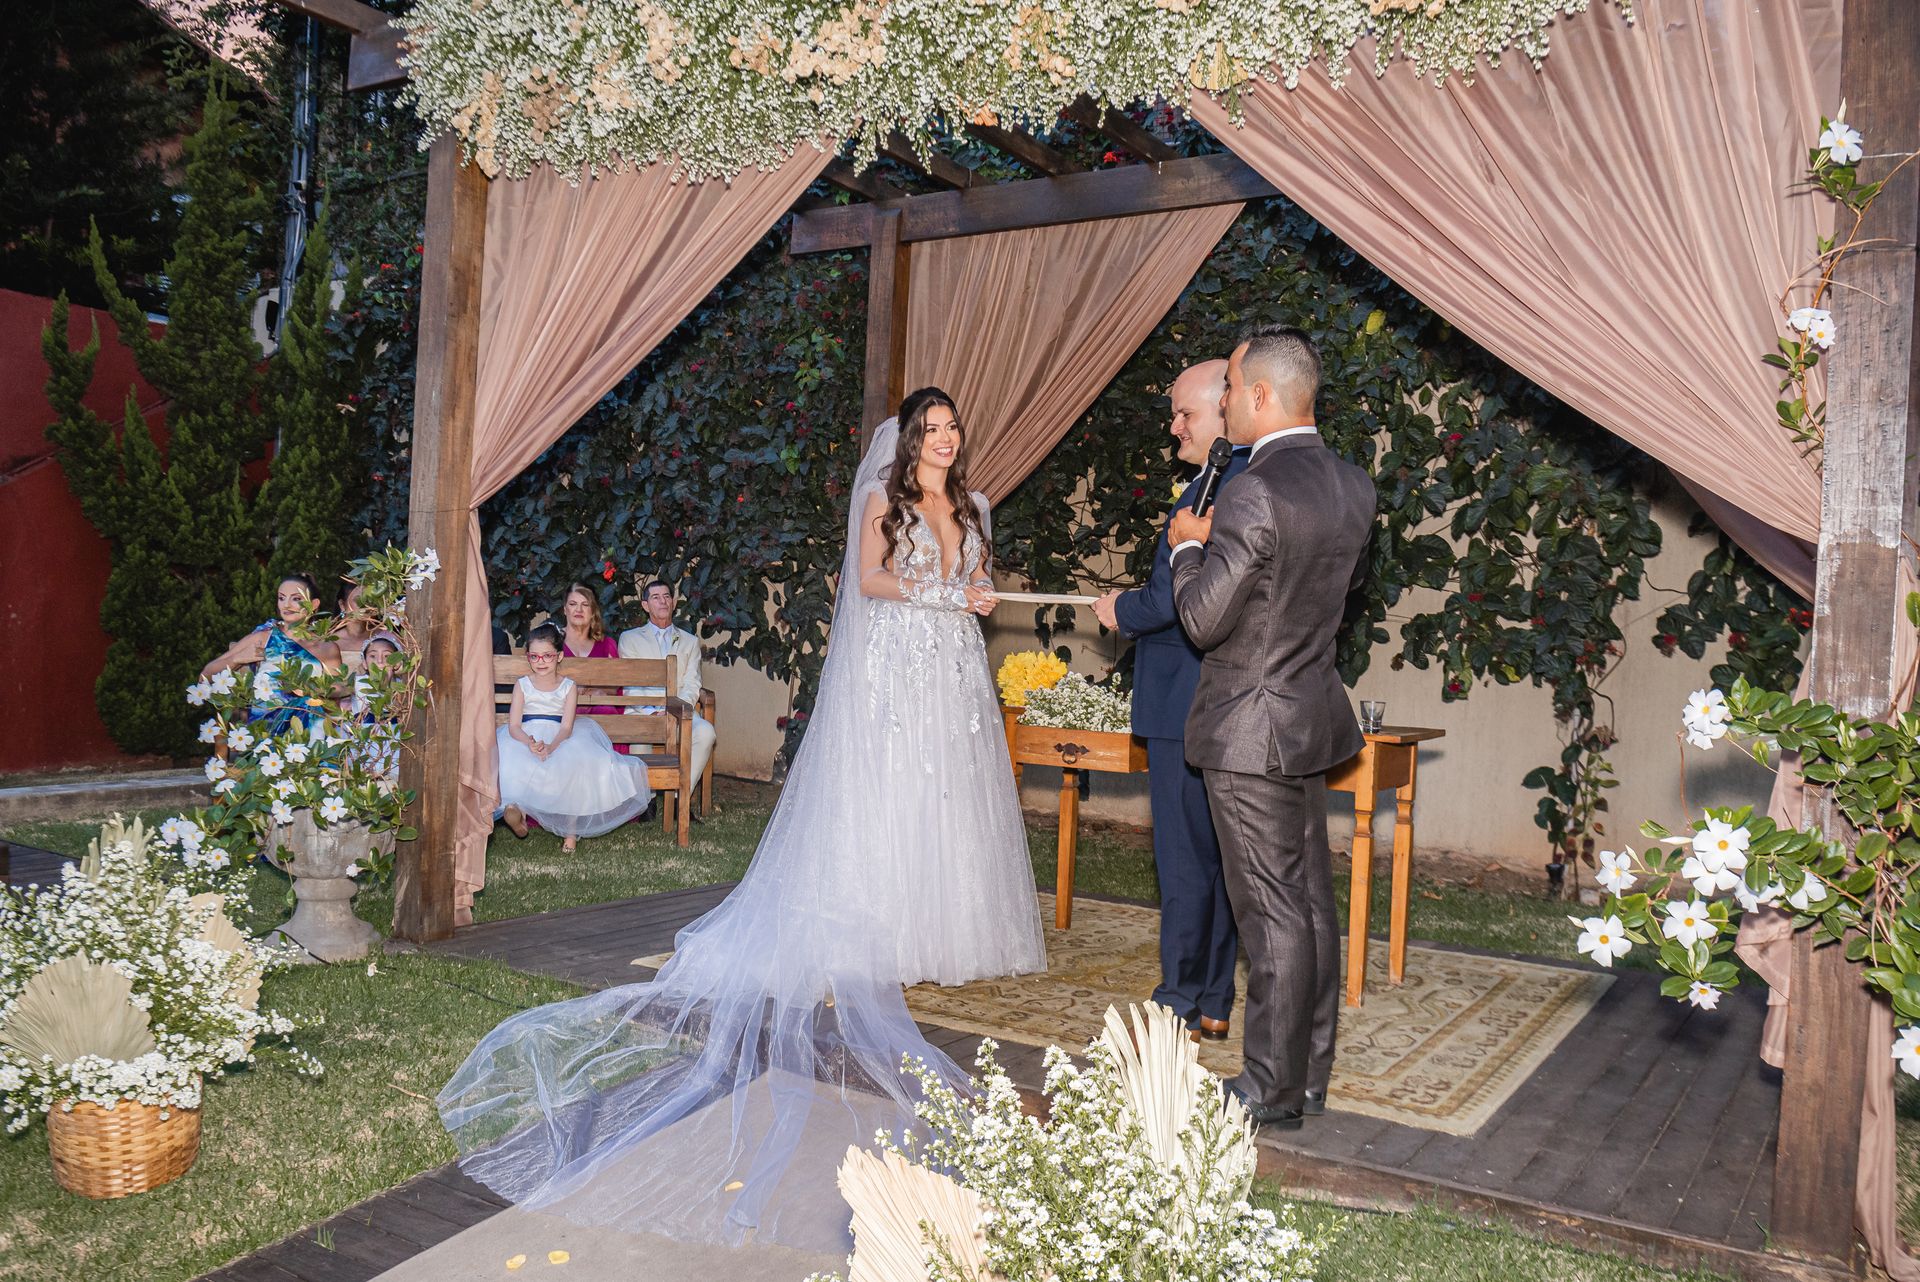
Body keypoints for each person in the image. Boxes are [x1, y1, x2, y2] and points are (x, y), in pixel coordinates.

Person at [439, 389, 1044, 1252]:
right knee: (895, 795)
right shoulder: (886, 499)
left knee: (950, 797)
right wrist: (937, 592)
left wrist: (977, 594)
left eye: (955, 429)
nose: (948, 441)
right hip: (901, 662)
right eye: (934, 429)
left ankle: (937, 924)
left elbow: (977, 579)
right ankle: (881, 921)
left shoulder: (976, 506)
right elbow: (871, 582)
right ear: (911, 440)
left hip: (950, 669)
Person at [1168, 325, 1374, 1130]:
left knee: (1271, 912)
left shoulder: (1254, 488)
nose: (1221, 403)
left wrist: (1189, 548)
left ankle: (1268, 1086)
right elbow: (1322, 602)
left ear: (1259, 395)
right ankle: (1307, 1074)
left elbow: (1205, 620)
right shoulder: (1352, 485)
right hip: (1306, 713)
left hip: (1250, 729)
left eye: (1229, 388)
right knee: (1311, 906)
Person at [1094, 359, 1247, 1045]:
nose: (1175, 426)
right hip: (1217, 701)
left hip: (1184, 697)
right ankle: (1215, 998)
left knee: (1186, 862)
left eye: (1186, 413)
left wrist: (1119, 608)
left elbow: (1174, 599)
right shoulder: (1229, 481)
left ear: (1227, 410)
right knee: (1220, 859)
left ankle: (1176, 1002)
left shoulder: (1223, 488)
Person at [495, 624, 653, 854]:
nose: (541, 661)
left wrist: (551, 746)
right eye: (535, 656)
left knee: (574, 765)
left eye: (547, 656)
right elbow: (514, 726)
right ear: (528, 657)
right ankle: (517, 814)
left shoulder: (568, 687)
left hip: (560, 736)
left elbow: (567, 727)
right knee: (512, 761)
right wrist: (530, 742)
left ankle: (570, 832)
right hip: (525, 735)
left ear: (559, 656)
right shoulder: (523, 685)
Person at [202, 573, 343, 735]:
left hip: (309, 730)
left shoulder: (326, 647)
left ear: (314, 604)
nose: (286, 605)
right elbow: (205, 676)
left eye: (296, 599)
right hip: (265, 730)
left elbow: (336, 693)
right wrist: (238, 659)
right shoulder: (264, 637)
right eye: (282, 598)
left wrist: (308, 689)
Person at [615, 580, 715, 802]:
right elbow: (632, 682)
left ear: (673, 602)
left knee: (705, 732)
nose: (663, 601)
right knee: (641, 736)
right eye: (656, 597)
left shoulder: (689, 641)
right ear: (645, 605)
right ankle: (646, 800)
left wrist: (674, 710)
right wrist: (651, 711)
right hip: (643, 710)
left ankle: (682, 798)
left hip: (679, 712)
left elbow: (692, 683)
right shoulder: (630, 639)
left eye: (667, 596)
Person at [558, 583, 621, 715]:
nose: (579, 609)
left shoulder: (606, 644)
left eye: (585, 605)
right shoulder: (551, 641)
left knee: (606, 709)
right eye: (573, 604)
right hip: (559, 709)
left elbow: (614, 688)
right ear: (565, 609)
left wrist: (592, 689)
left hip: (598, 710)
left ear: (593, 611)